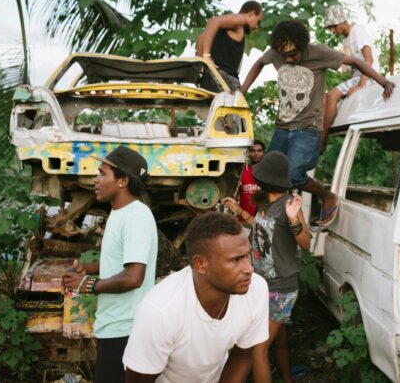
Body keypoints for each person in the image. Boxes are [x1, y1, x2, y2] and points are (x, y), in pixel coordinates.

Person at [239, 20, 395, 225]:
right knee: (263, 171)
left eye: (293, 55)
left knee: (293, 174)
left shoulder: (319, 53)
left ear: (303, 47)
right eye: (284, 56)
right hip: (283, 127)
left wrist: (383, 81)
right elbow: (259, 63)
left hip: (307, 128)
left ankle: (326, 196)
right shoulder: (277, 52)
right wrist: (242, 91)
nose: (288, 59)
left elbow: (356, 62)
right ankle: (274, 201)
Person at [123, 212, 269, 383]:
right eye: (236, 260)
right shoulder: (160, 311)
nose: (249, 269)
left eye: (247, 256)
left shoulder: (255, 289)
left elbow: (243, 356)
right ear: (200, 264)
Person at [61, 146, 158, 383]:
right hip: (115, 325)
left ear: (123, 181)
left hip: (126, 329)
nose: (95, 179)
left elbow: (134, 277)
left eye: (102, 174)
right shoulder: (120, 212)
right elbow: (122, 265)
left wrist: (89, 284)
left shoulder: (136, 216)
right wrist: (88, 269)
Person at [222, 151, 309, 383]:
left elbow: (306, 243)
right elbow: (263, 227)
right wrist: (239, 211)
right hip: (261, 284)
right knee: (278, 339)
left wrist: (293, 220)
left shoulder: (289, 206)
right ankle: (288, 379)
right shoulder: (264, 203)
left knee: (257, 350)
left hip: (281, 287)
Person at [320, 5, 381, 151]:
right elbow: (346, 70)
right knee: (324, 99)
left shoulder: (358, 32)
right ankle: (321, 134)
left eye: (333, 27)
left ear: (341, 22)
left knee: (332, 95)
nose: (332, 31)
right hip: (356, 76)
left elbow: (369, 60)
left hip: (368, 76)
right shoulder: (345, 41)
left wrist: (360, 86)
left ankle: (322, 139)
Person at [197, 0, 264, 91]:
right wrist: (206, 56)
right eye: (258, 21)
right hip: (225, 77)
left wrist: (201, 63)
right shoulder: (240, 20)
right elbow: (213, 21)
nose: (256, 26)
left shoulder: (231, 27)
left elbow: (201, 37)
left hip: (212, 75)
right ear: (251, 14)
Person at [238, 140, 265, 222]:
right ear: (248, 153)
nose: (256, 153)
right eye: (253, 151)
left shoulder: (268, 172)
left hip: (263, 221)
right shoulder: (241, 171)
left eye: (259, 151)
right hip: (243, 219)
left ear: (264, 153)